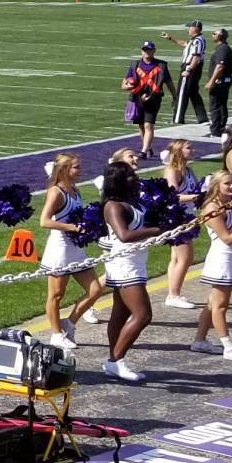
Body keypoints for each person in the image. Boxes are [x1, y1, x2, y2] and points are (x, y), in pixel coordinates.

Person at [37, 152, 104, 351]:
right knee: (57, 294)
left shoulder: (75, 190)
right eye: (76, 167)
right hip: (60, 249)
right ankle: (56, 334)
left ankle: (69, 323)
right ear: (65, 170)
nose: (80, 170)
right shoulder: (56, 192)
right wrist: (73, 228)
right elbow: (44, 221)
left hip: (76, 248)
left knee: (95, 289)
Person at [96, 160, 154, 382]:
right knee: (143, 315)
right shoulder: (113, 206)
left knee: (120, 313)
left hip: (136, 261)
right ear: (118, 180)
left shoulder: (132, 202)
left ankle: (115, 360)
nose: (135, 177)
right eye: (130, 175)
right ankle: (114, 361)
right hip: (124, 264)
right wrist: (157, 230)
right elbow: (124, 235)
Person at [189, 174, 232, 363]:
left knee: (213, 304)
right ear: (216, 186)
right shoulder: (213, 208)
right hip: (222, 261)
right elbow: (226, 238)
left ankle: (200, 341)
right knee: (220, 306)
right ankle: (228, 347)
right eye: (227, 183)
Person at [158, 142, 204, 316]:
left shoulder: (188, 170)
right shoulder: (173, 171)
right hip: (177, 217)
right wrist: (196, 196)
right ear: (178, 151)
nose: (192, 150)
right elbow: (172, 197)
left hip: (188, 215)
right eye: (188, 148)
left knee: (176, 258)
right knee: (185, 258)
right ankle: (173, 295)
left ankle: (173, 292)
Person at [122, 41, 170, 157]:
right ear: (141, 51)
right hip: (136, 98)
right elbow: (123, 84)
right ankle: (147, 147)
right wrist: (127, 86)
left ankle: (143, 151)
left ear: (154, 51)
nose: (147, 52)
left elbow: (168, 82)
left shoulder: (161, 65)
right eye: (145, 50)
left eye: (149, 50)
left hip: (153, 98)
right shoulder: (135, 65)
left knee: (149, 125)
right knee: (141, 125)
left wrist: (175, 96)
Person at [172, 21, 207, 124]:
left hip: (190, 68)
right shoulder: (195, 40)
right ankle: (202, 117)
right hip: (193, 68)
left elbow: (196, 57)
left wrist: (188, 70)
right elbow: (184, 44)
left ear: (195, 28)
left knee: (182, 94)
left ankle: (178, 119)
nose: (188, 29)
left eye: (189, 27)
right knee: (193, 93)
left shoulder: (198, 41)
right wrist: (170, 38)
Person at [205, 29, 232, 136]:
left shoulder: (222, 49)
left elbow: (220, 66)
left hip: (220, 81)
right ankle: (220, 128)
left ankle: (216, 130)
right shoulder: (222, 48)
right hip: (223, 80)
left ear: (220, 36)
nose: (212, 35)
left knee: (215, 105)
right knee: (221, 105)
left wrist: (211, 81)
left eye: (214, 34)